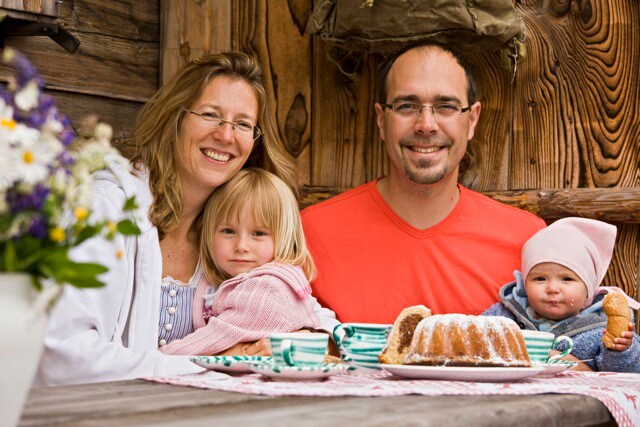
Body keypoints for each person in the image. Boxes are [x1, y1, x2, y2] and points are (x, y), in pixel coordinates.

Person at [36, 52, 337, 386]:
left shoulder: (237, 232)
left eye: (242, 124)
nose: (226, 135)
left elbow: (304, 311)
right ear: (174, 118)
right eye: (210, 115)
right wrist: (213, 363)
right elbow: (61, 353)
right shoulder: (107, 210)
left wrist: (300, 338)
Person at [301, 41, 546, 323]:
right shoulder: (311, 235)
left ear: (473, 119)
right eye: (407, 106)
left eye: (446, 106)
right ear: (381, 120)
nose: (426, 124)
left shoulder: (527, 244)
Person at [160, 168, 321, 355]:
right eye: (228, 231)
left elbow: (214, 339)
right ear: (208, 231)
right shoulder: (219, 281)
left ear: (284, 237)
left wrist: (161, 357)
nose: (242, 246)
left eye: (259, 233)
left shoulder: (268, 287)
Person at [483, 217, 640, 372]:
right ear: (524, 283)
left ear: (589, 289)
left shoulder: (601, 328)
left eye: (566, 279)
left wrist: (621, 350)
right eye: (540, 278)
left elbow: (624, 372)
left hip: (577, 396)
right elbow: (470, 340)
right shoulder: (504, 316)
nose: (552, 288)